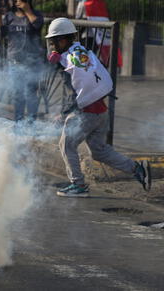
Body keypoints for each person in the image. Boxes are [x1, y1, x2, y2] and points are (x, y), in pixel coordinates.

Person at [45, 18, 151, 197]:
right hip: (101, 110)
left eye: (53, 42)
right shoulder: (80, 51)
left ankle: (78, 185)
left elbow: (76, 92)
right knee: (99, 151)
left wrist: (63, 114)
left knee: (67, 145)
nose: (52, 46)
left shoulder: (70, 61)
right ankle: (138, 169)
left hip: (85, 113)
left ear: (63, 40)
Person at [0, 0, 44, 123]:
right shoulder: (10, 16)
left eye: (22, 1)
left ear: (28, 1)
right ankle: (18, 123)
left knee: (31, 93)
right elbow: (1, 34)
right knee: (18, 94)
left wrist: (27, 10)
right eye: (17, 1)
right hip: (15, 62)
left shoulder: (36, 15)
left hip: (32, 61)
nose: (19, 3)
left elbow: (37, 26)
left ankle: (31, 122)